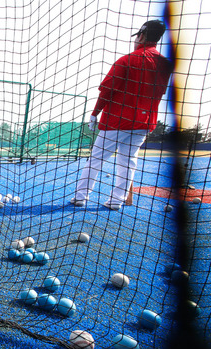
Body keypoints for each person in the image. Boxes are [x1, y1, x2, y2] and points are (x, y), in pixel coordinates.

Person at [71, 20, 173, 211]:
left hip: (117, 121)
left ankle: (80, 197)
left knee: (96, 159)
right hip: (144, 121)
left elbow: (107, 90)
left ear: (141, 36)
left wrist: (95, 113)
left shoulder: (127, 60)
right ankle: (117, 200)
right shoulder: (165, 65)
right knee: (128, 161)